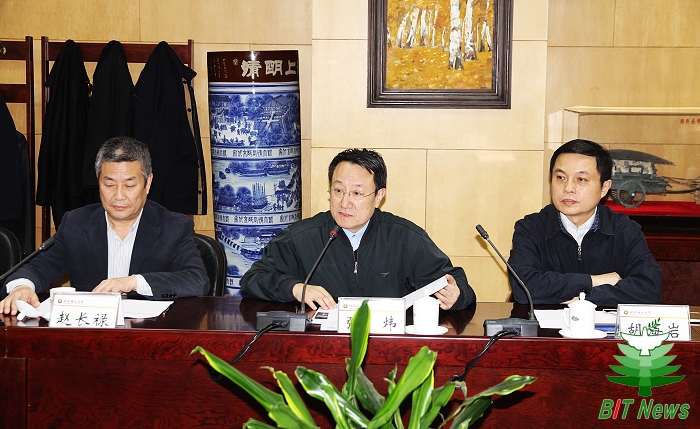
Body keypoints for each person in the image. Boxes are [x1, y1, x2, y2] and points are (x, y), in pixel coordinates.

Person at [241, 148, 476, 310]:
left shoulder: (405, 237)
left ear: (379, 196)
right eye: (338, 190)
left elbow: (454, 282)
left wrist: (457, 295)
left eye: (356, 193)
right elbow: (253, 279)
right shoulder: (302, 237)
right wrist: (295, 288)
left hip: (389, 349)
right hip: (323, 348)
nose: (344, 202)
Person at [1, 136, 209, 315]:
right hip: (90, 334)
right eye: (109, 184)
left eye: (129, 185)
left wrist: (133, 282)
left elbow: (197, 280)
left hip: (150, 336)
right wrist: (22, 287)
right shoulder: (77, 223)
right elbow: (38, 266)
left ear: (148, 183)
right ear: (98, 181)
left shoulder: (173, 226)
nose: (118, 195)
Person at [507, 139, 662, 307]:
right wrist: (592, 281)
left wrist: (582, 298)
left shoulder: (624, 230)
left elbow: (649, 289)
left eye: (581, 179)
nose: (568, 188)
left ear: (604, 188)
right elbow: (523, 288)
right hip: (545, 324)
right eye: (560, 177)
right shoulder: (531, 228)